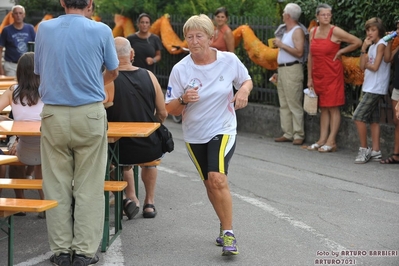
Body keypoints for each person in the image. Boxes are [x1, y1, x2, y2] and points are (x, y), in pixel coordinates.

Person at [34, 0, 119, 265]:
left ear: (62, 2)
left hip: (54, 113)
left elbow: (39, 71)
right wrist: (93, 80)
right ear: (90, 3)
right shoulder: (102, 30)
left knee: (56, 183)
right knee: (89, 186)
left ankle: (61, 251)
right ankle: (83, 251)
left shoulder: (44, 29)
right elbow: (113, 71)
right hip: (90, 113)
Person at [165, 14, 253, 256]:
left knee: (217, 178)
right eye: (189, 37)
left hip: (223, 128)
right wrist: (183, 99)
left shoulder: (228, 60)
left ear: (211, 37)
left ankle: (228, 232)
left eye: (199, 36)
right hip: (194, 134)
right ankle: (223, 224)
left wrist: (243, 91)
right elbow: (168, 108)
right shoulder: (180, 69)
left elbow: (246, 80)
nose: (194, 41)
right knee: (209, 183)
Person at [105, 37, 167, 219]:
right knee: (150, 161)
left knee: (110, 157)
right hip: (148, 147)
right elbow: (162, 113)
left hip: (120, 149)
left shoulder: (107, 81)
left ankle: (129, 197)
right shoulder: (150, 76)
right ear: (132, 54)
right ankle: (149, 202)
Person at [306, 3, 362, 152]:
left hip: (332, 74)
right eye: (323, 14)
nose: (326, 17)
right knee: (323, 107)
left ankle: (331, 141)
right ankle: (322, 139)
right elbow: (310, 55)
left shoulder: (335, 31)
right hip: (318, 74)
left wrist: (341, 51)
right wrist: (309, 77)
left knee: (333, 106)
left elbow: (357, 41)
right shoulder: (313, 31)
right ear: (317, 16)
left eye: (328, 14)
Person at [0, 52, 44, 217]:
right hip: (46, 148)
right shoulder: (49, 91)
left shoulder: (12, 91)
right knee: (43, 161)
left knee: (12, 155)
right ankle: (44, 203)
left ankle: (21, 202)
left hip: (23, 149)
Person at [353, 17, 390, 164]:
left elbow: (374, 67)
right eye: (368, 30)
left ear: (379, 31)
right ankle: (376, 151)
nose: (370, 32)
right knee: (374, 120)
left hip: (376, 87)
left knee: (358, 116)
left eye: (373, 30)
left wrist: (368, 63)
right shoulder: (372, 45)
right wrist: (363, 48)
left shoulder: (381, 44)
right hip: (369, 86)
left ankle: (364, 149)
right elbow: (362, 66)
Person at [273, 3, 306, 145]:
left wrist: (282, 46)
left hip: (292, 68)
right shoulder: (286, 31)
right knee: (284, 102)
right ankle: (288, 132)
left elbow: (300, 52)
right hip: (283, 69)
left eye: (284, 13)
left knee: (294, 102)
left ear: (288, 15)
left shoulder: (297, 31)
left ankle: (298, 133)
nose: (282, 15)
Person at [380, 21, 399, 164]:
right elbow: (387, 59)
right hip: (397, 88)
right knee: (397, 121)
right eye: (397, 27)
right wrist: (390, 42)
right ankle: (396, 154)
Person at [0, 5, 36, 76]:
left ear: (24, 15)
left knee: (27, 86)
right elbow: (0, 49)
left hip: (27, 65)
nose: (18, 15)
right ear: (12, 15)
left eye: (20, 13)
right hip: (11, 66)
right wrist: (1, 69)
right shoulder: (6, 30)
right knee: (11, 86)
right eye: (16, 13)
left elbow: (37, 47)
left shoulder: (30, 29)